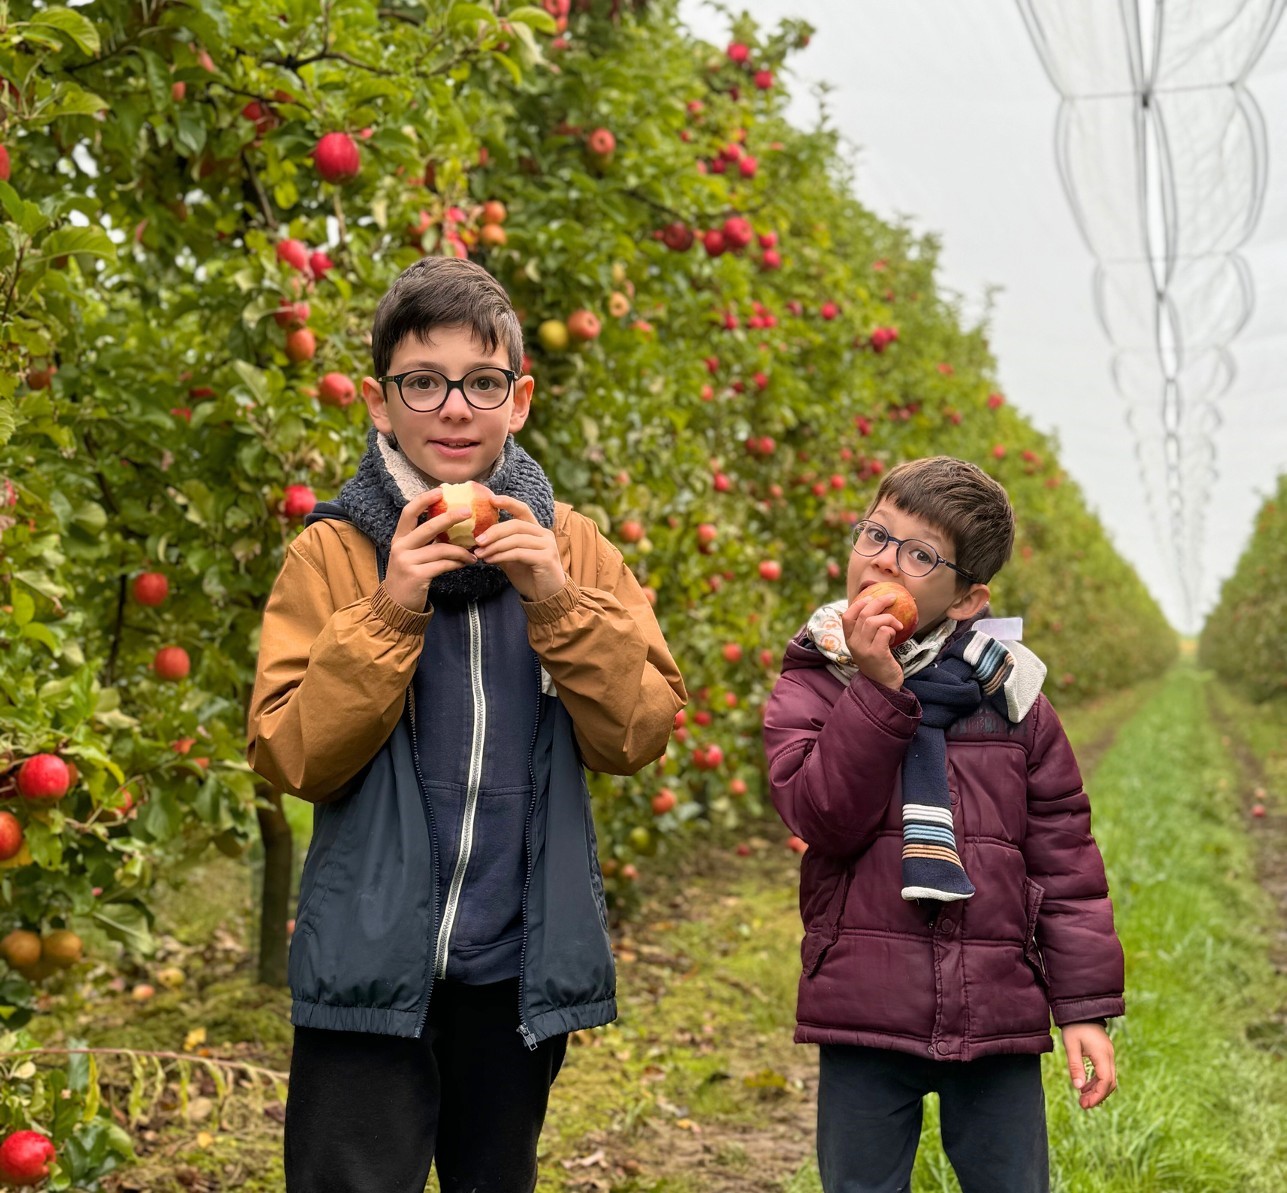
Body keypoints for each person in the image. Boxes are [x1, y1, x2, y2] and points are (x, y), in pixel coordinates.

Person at [246, 256, 685, 1193]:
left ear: (517, 400)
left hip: (511, 970)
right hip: (367, 975)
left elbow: (638, 732)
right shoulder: (332, 552)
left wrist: (559, 602)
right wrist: (391, 607)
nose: (454, 407)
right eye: (424, 382)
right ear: (379, 400)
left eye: (481, 382)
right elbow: (290, 755)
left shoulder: (573, 546)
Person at [762, 455, 1123, 1193]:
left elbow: (1064, 859)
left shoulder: (1014, 698)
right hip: (863, 1003)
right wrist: (878, 691)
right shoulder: (814, 679)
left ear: (966, 598)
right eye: (875, 534)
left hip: (995, 1007)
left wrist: (1082, 1008)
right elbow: (821, 816)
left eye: (918, 553)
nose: (882, 562)